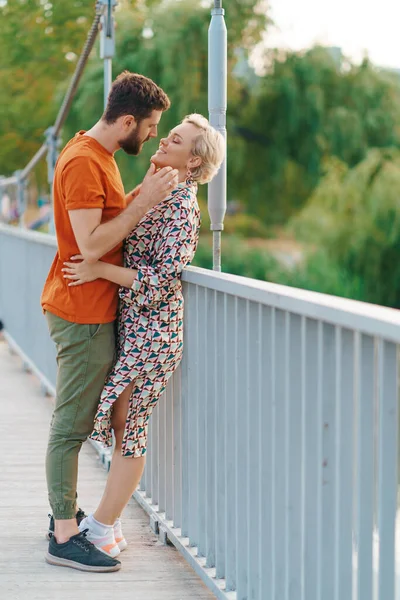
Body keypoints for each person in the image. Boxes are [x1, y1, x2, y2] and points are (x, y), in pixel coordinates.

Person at [59, 114, 225, 563]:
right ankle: (107, 532)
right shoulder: (159, 192)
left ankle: (102, 526)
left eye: (176, 139)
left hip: (153, 335)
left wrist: (98, 269)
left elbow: (159, 281)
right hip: (135, 327)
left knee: (129, 432)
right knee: (120, 425)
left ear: (193, 160)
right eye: (168, 133)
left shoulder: (182, 209)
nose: (164, 139)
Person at [41, 71, 179, 573]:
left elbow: (105, 227)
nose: (152, 136)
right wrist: (145, 201)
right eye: (149, 126)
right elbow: (90, 246)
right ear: (126, 120)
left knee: (76, 421)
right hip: (82, 313)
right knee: (71, 425)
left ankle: (65, 515)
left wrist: (142, 194)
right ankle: (63, 534)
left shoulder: (102, 156)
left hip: (97, 309)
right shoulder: (83, 162)